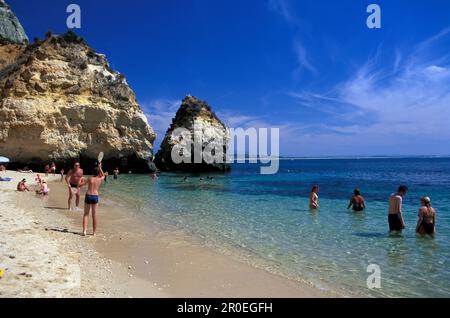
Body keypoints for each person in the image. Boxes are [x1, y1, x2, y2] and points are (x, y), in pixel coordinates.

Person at [79, 167, 105, 236]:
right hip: (95, 196)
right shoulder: (99, 179)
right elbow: (103, 175)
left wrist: (80, 180)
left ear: (92, 172)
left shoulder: (89, 179)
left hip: (88, 195)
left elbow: (80, 185)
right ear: (98, 173)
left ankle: (84, 231)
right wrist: (100, 168)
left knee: (86, 214)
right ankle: (94, 233)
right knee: (94, 215)